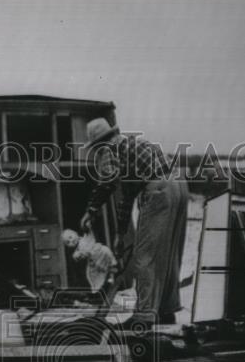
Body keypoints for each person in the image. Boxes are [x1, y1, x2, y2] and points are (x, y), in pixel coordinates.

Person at [79, 118, 188, 324]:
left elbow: (107, 184)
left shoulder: (110, 150)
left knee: (144, 256)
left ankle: (144, 316)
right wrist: (121, 235)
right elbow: (127, 197)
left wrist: (91, 210)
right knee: (168, 252)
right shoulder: (132, 144)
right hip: (179, 185)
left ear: (98, 143)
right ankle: (166, 309)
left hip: (158, 188)